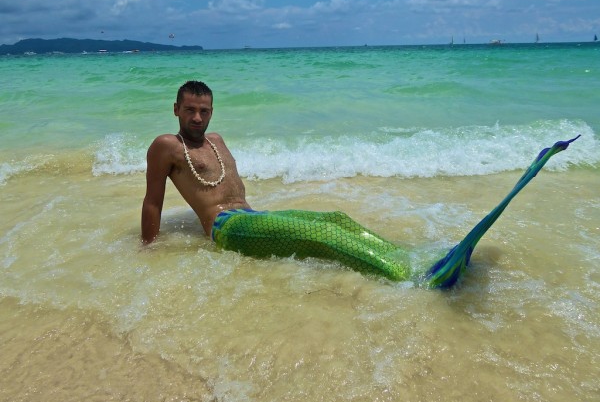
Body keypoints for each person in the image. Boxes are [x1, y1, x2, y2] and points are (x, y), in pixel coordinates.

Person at [142, 80, 579, 288]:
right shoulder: (166, 146)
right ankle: (405, 279)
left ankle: (405, 257)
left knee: (336, 217)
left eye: (204, 111)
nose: (198, 118)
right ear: (176, 109)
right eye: (190, 111)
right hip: (226, 229)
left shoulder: (216, 140)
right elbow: (153, 203)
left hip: (253, 216)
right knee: (321, 235)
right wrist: (147, 251)